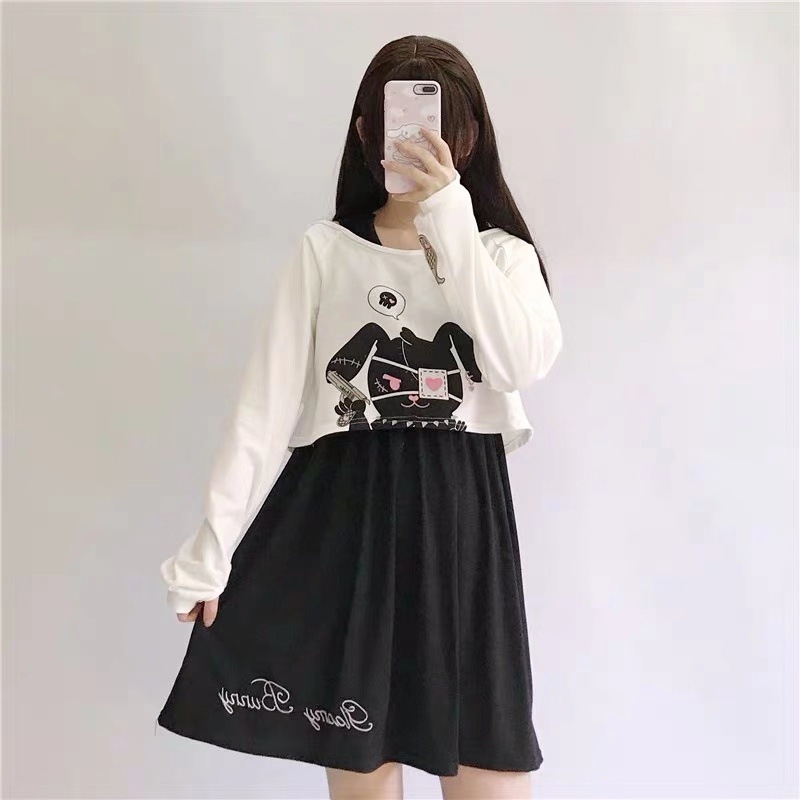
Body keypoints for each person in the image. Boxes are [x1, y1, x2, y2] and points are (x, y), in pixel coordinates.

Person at [156, 34, 563, 800]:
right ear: (366, 131)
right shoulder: (326, 252)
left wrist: (449, 214)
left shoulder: (501, 255)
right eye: (399, 121)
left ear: (470, 136)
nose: (419, 139)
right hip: (349, 526)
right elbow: (264, 407)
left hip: (465, 532)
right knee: (364, 769)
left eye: (441, 124)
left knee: (491, 762)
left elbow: (517, 363)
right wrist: (211, 550)